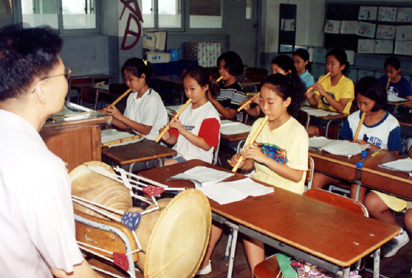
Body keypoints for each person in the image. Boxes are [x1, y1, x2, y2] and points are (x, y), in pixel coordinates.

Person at [0, 25, 101, 277]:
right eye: (65, 74)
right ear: (41, 90)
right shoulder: (41, 167)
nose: (68, 79)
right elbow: (69, 270)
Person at [198, 74, 308, 277]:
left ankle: (258, 274)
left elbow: (296, 175)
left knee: (248, 224)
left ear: (287, 102)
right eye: (262, 101)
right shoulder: (259, 125)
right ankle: (203, 261)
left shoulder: (297, 132)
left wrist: (264, 159)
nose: (265, 107)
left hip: (287, 196)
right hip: (259, 187)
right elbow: (250, 163)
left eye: (271, 102)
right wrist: (241, 161)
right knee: (219, 207)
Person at [312, 76, 402, 203]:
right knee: (317, 177)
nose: (362, 107)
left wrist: (371, 147)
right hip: (349, 169)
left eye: (366, 103)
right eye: (359, 103)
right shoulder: (353, 119)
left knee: (357, 186)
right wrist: (347, 144)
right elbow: (342, 143)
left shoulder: (391, 124)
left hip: (373, 173)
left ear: (378, 101)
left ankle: (354, 219)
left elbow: (395, 156)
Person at [160, 65, 220, 165]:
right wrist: (168, 138)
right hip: (179, 154)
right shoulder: (181, 110)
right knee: (152, 162)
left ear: (205, 87)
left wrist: (183, 130)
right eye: (185, 88)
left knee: (160, 166)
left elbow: (206, 145)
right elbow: (174, 138)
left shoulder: (210, 114)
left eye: (192, 89)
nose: (188, 93)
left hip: (197, 159)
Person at [102, 58, 168, 141]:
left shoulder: (152, 99)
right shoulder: (132, 96)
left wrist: (120, 116)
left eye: (130, 79)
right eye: (126, 79)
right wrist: (108, 118)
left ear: (142, 77)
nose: (127, 83)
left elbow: (145, 130)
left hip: (152, 142)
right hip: (138, 138)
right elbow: (127, 125)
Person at [306, 48, 355, 137]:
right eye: (327, 63)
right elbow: (315, 104)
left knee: (307, 131)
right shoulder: (322, 79)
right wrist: (310, 97)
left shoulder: (347, 83)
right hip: (321, 119)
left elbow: (340, 108)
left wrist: (324, 93)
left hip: (337, 123)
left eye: (333, 64)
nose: (329, 67)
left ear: (342, 66)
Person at [207, 51, 247, 121]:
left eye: (225, 68)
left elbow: (230, 115)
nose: (221, 71)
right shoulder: (219, 87)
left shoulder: (238, 91)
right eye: (220, 68)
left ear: (234, 68)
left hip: (231, 127)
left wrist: (213, 100)